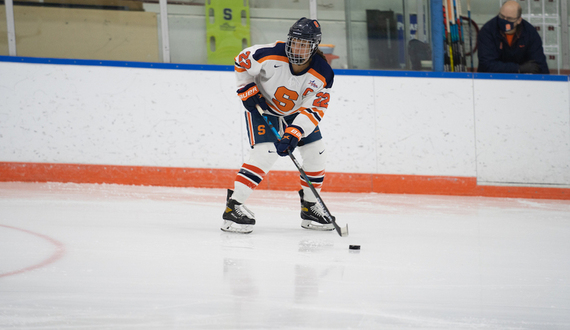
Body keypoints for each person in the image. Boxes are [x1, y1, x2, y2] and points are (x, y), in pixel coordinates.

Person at [221, 17, 335, 234]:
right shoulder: (267, 54)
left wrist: (294, 133)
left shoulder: (323, 74)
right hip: (263, 108)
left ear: (314, 47)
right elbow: (241, 61)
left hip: (296, 114)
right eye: (294, 42)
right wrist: (245, 87)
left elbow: (314, 110)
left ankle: (310, 206)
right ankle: (233, 207)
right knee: (267, 152)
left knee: (316, 152)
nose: (297, 48)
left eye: (304, 44)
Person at [477, 0, 549, 74]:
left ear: (519, 20)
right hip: (490, 80)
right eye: (502, 16)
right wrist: (519, 68)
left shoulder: (529, 33)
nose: (504, 21)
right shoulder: (488, 30)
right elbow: (487, 65)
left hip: (522, 81)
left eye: (509, 19)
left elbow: (539, 65)